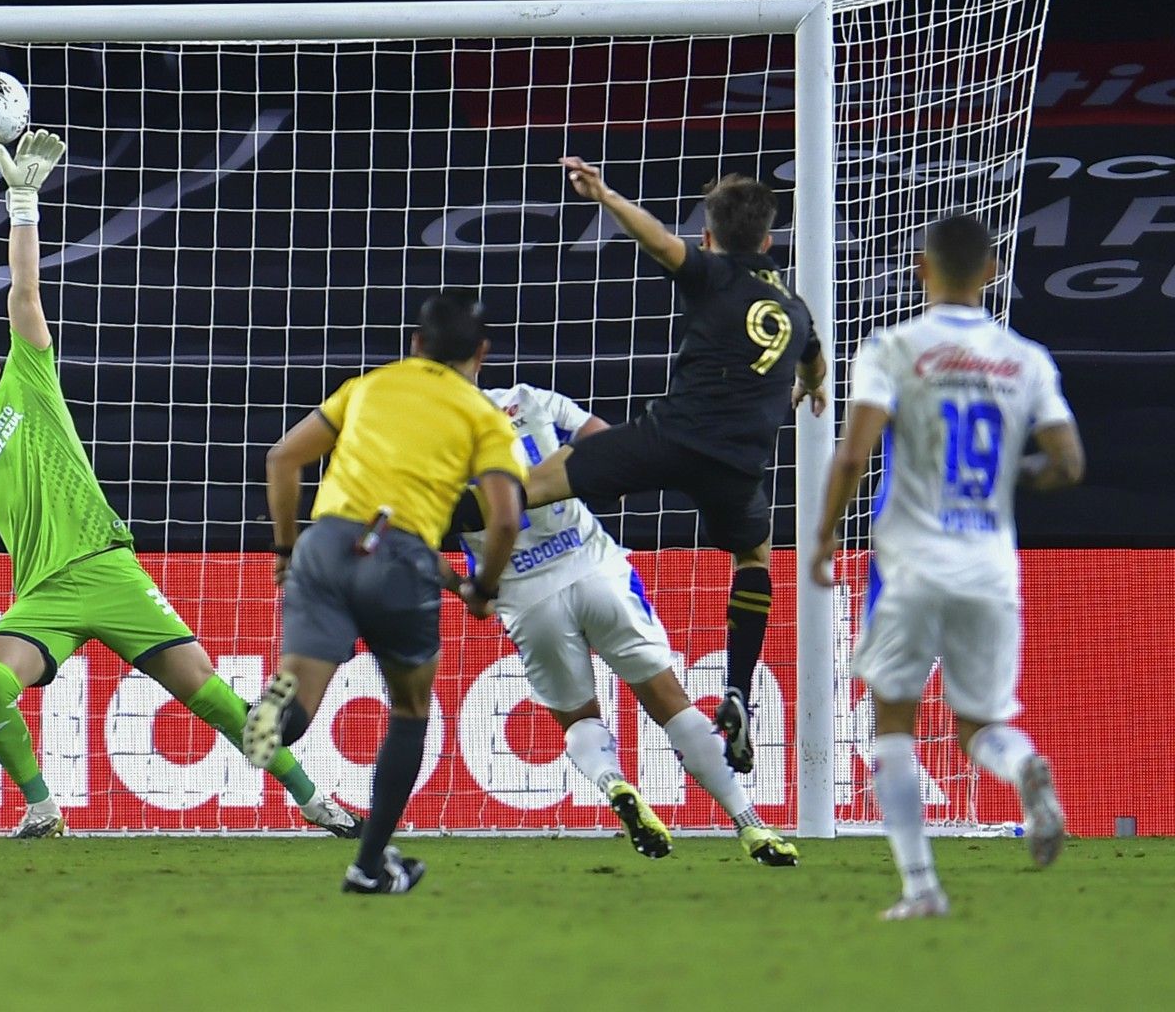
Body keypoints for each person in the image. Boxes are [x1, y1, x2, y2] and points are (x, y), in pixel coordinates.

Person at [0, 130, 359, 840]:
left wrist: (23, 205)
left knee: (211, 697)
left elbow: (24, 292)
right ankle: (42, 809)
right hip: (44, 596)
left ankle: (314, 800)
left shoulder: (27, 386)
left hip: (109, 569)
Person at [810, 213, 1083, 920]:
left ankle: (921, 889)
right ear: (991, 272)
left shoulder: (894, 348)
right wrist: (1015, 474)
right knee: (980, 725)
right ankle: (1022, 766)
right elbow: (1068, 464)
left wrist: (825, 535)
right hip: (990, 567)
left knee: (892, 725)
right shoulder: (1026, 358)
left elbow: (853, 455)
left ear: (921, 268)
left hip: (911, 565)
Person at [521, 160, 831, 774]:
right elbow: (816, 359)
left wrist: (605, 194)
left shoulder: (712, 273)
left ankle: (422, 522)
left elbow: (659, 240)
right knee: (754, 558)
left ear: (709, 237)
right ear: (768, 241)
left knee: (534, 485)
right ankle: (737, 688)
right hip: (735, 470)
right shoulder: (794, 309)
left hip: (668, 440)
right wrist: (811, 386)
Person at [450, 382, 799, 865]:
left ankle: (614, 783)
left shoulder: (432, 441)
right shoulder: (530, 399)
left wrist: (465, 587)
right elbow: (602, 440)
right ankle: (750, 824)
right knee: (672, 704)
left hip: (525, 596)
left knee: (579, 719)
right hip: (595, 568)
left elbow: (415, 534)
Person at [245, 293, 524, 894]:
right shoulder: (484, 417)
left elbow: (283, 457)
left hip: (325, 546)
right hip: (400, 559)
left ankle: (277, 712)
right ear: (482, 353)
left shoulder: (368, 386)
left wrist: (287, 550)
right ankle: (368, 865)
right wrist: (483, 588)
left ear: (416, 343)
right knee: (410, 710)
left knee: (298, 706)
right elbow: (505, 518)